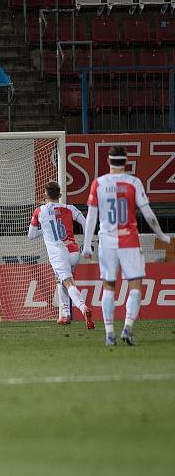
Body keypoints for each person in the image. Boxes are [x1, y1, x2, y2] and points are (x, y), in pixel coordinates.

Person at [82, 146, 171, 346]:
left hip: (106, 241)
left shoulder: (99, 183)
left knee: (109, 285)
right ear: (126, 161)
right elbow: (148, 214)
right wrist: (161, 235)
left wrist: (87, 245)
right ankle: (128, 328)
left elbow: (91, 217)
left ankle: (109, 333)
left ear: (109, 161)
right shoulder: (133, 182)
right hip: (129, 240)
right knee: (135, 285)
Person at [28, 182, 94, 330]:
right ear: (60, 195)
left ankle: (84, 309)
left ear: (45, 195)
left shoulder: (39, 211)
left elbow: (31, 235)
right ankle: (65, 314)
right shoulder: (70, 208)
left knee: (68, 282)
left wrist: (44, 231)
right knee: (61, 280)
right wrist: (87, 243)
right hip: (73, 251)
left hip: (58, 253)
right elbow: (86, 223)